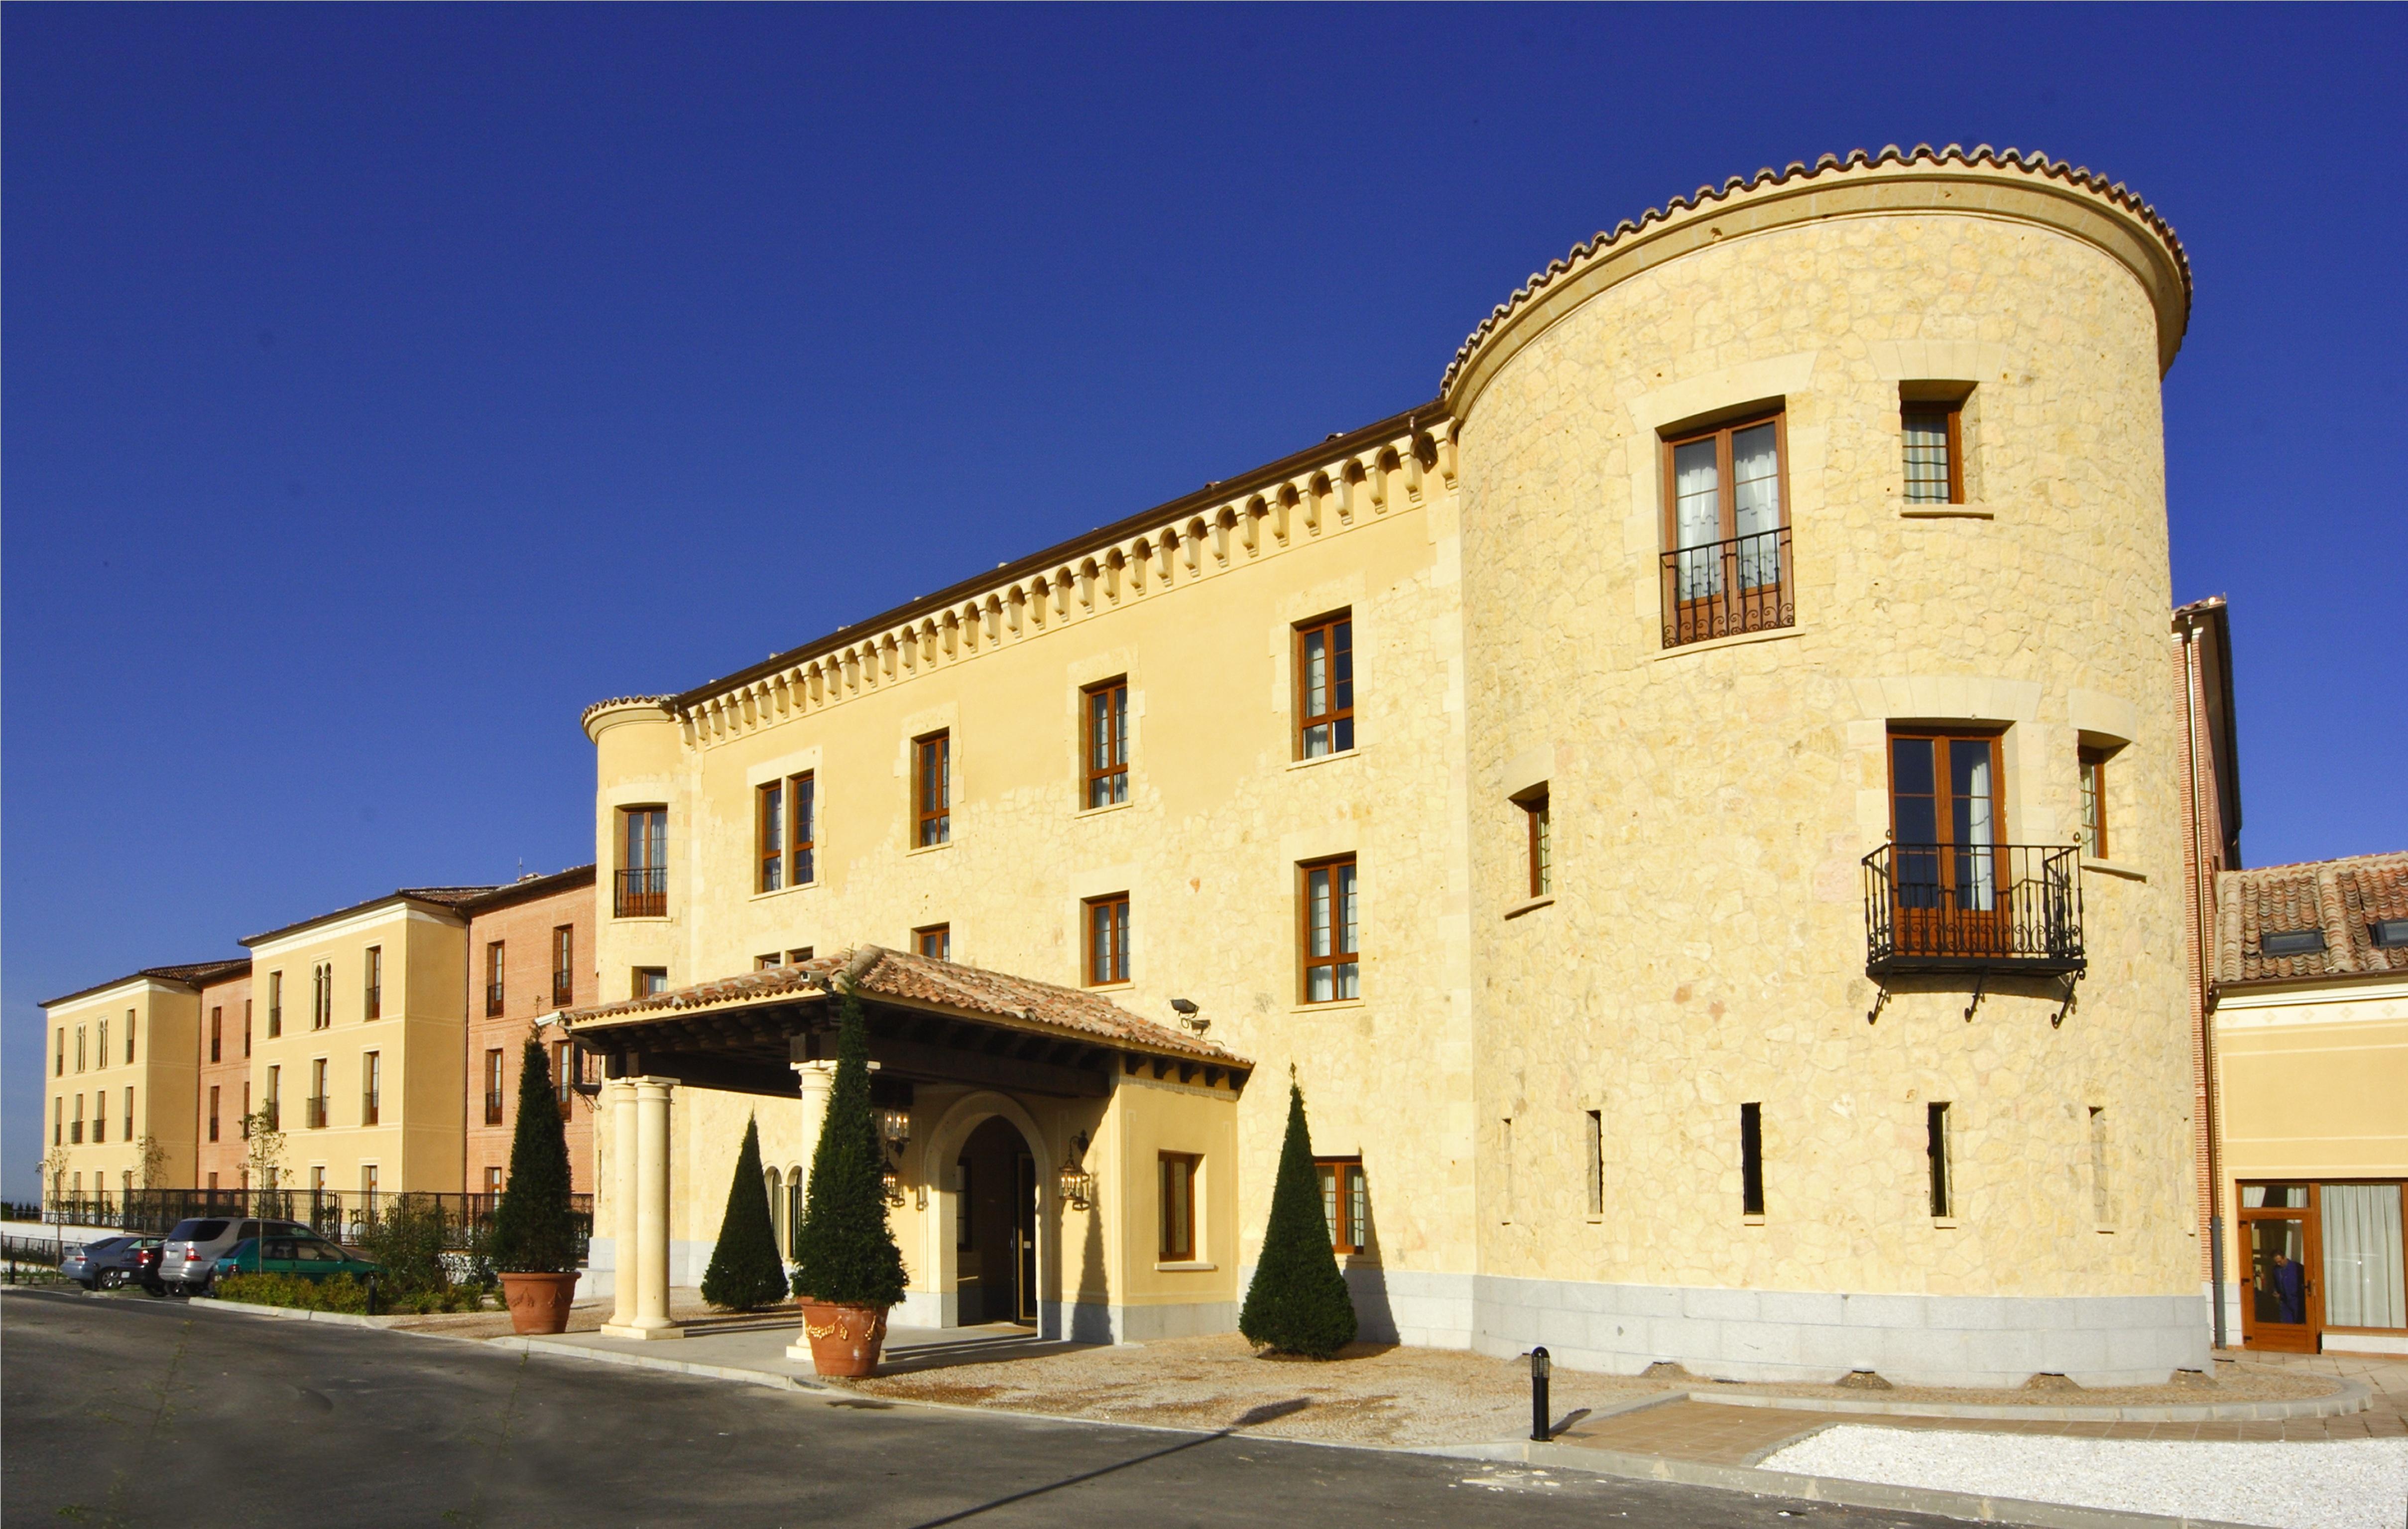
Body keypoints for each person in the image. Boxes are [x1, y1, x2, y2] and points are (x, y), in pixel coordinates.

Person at [2271, 1249, 2306, 1324]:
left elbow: (2306, 1282)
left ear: (2285, 1258)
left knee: (2299, 1322)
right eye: (2276, 1262)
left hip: (2297, 1300)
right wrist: (2276, 1291)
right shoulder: (2276, 1270)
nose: (2278, 1264)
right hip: (2284, 1301)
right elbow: (2276, 1283)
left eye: (2280, 1261)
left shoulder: (2297, 1267)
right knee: (2286, 1323)